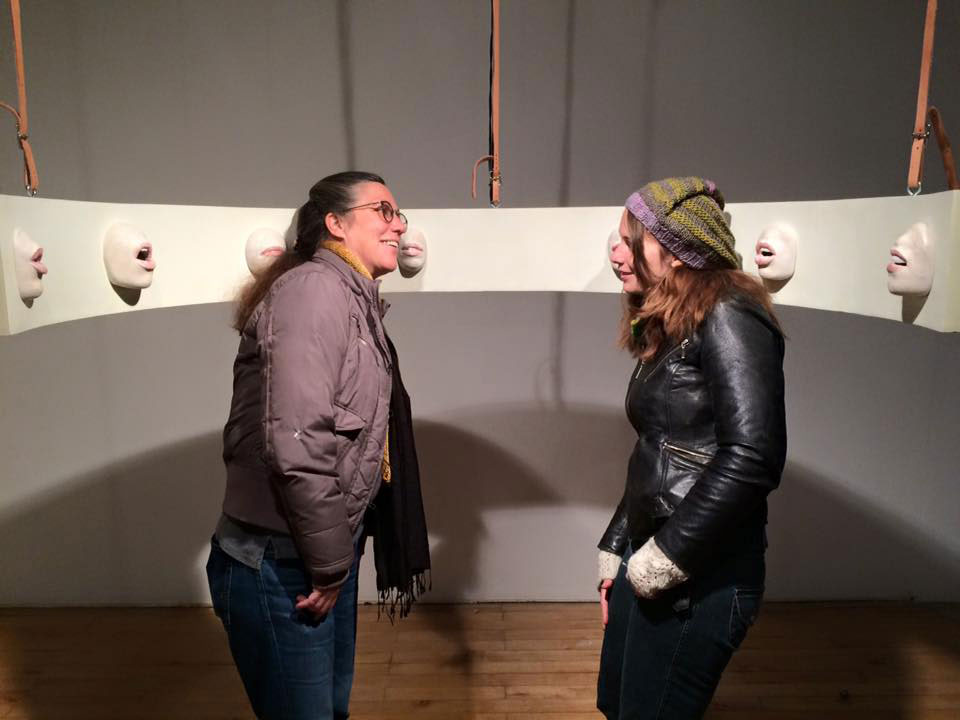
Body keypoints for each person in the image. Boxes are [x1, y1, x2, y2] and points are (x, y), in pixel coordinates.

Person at [206, 171, 430, 720]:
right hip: (283, 561)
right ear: (335, 224)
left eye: (398, 214)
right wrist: (330, 564)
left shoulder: (349, 297)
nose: (398, 225)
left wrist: (337, 557)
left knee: (329, 710)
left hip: (313, 551)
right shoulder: (314, 291)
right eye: (383, 210)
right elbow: (298, 440)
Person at [596, 177, 787, 719]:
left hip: (699, 576)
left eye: (630, 239)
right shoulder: (672, 322)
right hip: (652, 555)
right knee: (618, 704)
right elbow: (659, 447)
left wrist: (667, 556)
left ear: (676, 250)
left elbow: (753, 456)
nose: (616, 252)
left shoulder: (731, 313)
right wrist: (618, 545)